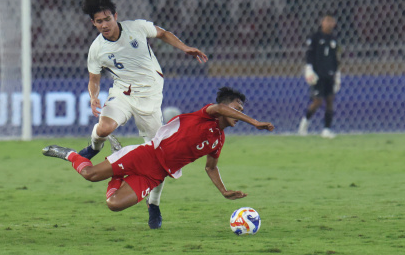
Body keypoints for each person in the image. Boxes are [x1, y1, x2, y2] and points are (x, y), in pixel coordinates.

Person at [76, 0, 209, 228]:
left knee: (161, 157)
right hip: (123, 92)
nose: (104, 25)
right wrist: (93, 96)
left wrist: (184, 47)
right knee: (104, 127)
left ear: (115, 16)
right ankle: (93, 147)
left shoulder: (136, 28)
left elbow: (164, 33)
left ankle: (154, 204)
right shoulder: (96, 49)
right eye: (99, 21)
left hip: (149, 95)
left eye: (107, 19)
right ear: (93, 23)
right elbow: (93, 78)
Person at [42, 87, 274, 216]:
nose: (238, 113)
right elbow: (221, 107)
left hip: (155, 175)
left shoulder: (218, 139)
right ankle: (69, 154)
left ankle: (118, 170)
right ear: (226, 108)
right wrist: (254, 122)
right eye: (237, 108)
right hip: (145, 155)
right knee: (89, 174)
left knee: (113, 204)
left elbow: (210, 167)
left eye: (241, 111)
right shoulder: (206, 114)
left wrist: (223, 191)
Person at [298, 13, 341, 138]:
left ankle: (326, 129)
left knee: (330, 101)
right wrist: (309, 69)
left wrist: (337, 75)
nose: (329, 23)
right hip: (318, 74)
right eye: (327, 20)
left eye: (331, 21)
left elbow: (336, 59)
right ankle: (304, 123)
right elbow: (309, 54)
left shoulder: (334, 39)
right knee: (317, 101)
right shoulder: (315, 37)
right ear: (322, 22)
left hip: (330, 74)